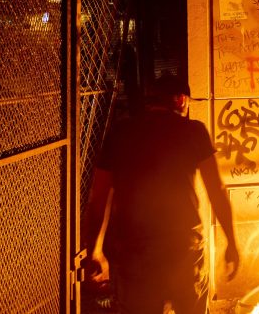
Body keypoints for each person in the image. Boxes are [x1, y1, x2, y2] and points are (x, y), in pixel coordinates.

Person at [84, 73, 240, 314]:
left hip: (134, 251)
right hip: (183, 248)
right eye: (188, 101)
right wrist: (231, 241)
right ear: (180, 100)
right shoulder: (193, 131)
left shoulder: (120, 132)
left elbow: (99, 197)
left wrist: (95, 248)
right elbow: (216, 190)